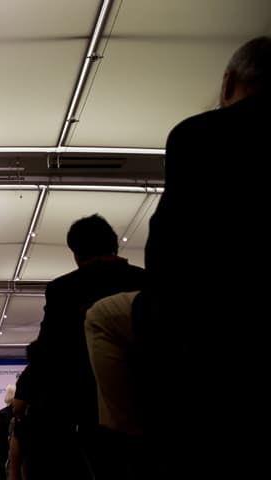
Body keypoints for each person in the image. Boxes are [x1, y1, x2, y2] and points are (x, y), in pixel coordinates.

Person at [85, 36, 271, 479]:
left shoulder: (199, 134)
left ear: (228, 83)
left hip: (205, 312)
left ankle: (130, 442)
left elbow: (171, 243)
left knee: (101, 317)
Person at [25, 214, 146, 479]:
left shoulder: (64, 289)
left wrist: (27, 387)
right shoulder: (146, 281)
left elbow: (49, 347)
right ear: (114, 245)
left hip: (83, 406)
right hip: (146, 400)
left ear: (76, 253)